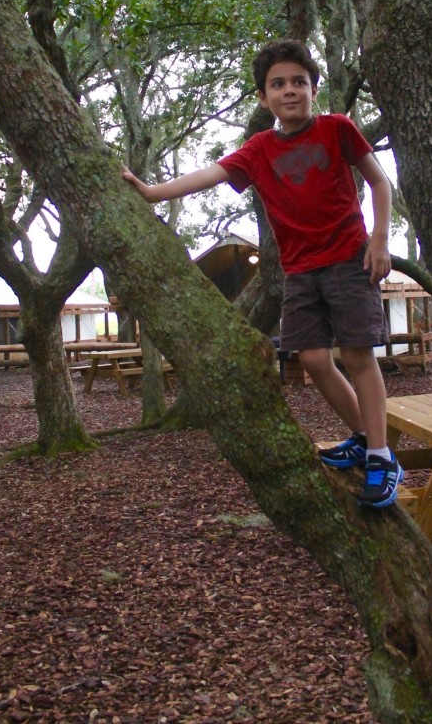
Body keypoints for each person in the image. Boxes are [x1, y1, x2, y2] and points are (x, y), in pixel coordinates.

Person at [123, 40, 403, 508]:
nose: (290, 91)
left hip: (348, 261)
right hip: (300, 271)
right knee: (312, 360)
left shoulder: (337, 129)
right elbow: (208, 175)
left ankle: (379, 455)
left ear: (314, 89)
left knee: (357, 355)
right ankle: (362, 435)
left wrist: (380, 240)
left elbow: (379, 180)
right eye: (278, 84)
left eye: (299, 82)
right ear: (262, 97)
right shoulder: (260, 150)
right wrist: (153, 193)